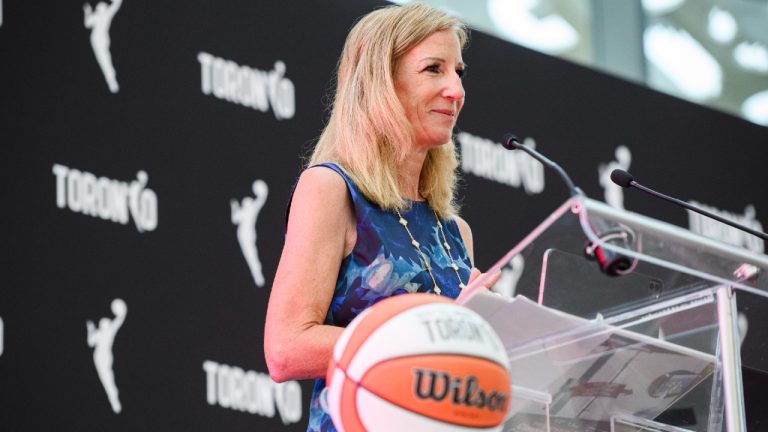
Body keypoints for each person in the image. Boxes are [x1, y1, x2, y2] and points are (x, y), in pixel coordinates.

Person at [264, 3, 498, 431]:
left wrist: (484, 333)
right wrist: (429, 338)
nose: (456, 90)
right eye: (433, 69)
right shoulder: (332, 190)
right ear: (380, 84)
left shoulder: (455, 233)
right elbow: (286, 348)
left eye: (458, 72)